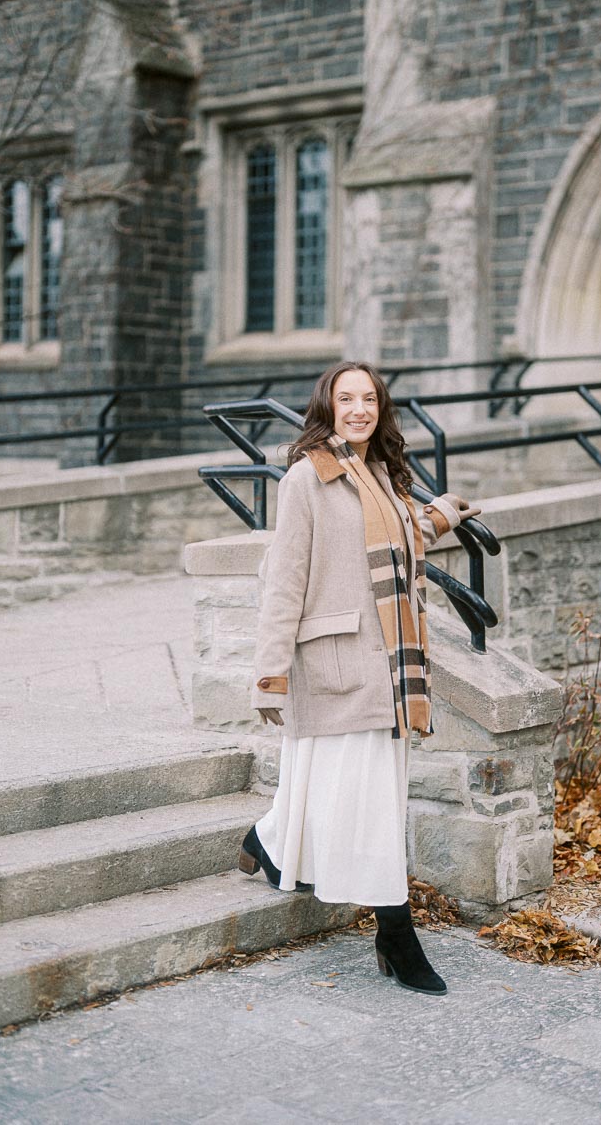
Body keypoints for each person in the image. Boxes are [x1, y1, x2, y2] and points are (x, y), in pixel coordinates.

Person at [237, 360, 481, 995]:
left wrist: (443, 515)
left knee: (349, 791)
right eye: (345, 399)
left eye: (368, 399)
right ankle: (395, 936)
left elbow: (399, 535)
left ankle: (266, 840)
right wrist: (270, 672)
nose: (358, 410)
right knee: (369, 804)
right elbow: (285, 576)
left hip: (389, 667)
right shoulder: (305, 479)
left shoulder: (380, 474)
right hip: (338, 664)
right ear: (327, 406)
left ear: (380, 409)